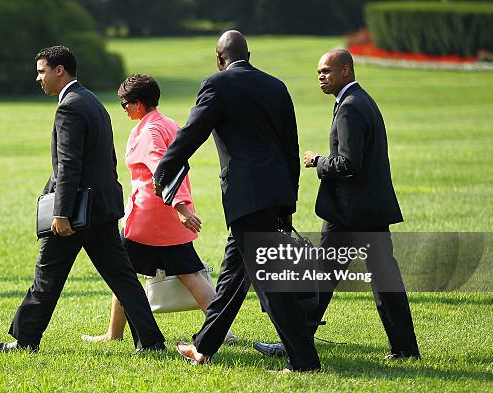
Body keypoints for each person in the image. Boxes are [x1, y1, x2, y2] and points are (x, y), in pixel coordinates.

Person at [152, 31, 321, 372]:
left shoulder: (217, 85)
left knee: (273, 284)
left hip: (246, 197)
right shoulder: (276, 86)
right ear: (249, 53)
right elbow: (291, 148)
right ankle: (203, 347)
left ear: (219, 58)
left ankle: (304, 362)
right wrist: (288, 202)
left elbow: (191, 133)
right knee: (231, 278)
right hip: (274, 196)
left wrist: (164, 170)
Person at [0, 46, 165, 353]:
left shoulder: (69, 107)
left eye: (42, 71)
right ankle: (150, 342)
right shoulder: (92, 101)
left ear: (60, 70)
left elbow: (69, 165)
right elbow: (104, 161)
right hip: (100, 208)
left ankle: (25, 341)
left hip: (77, 213)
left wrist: (61, 212)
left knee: (47, 275)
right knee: (122, 279)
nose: (38, 78)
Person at [254, 49, 420, 360]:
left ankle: (296, 344)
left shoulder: (351, 108)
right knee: (356, 277)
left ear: (346, 71)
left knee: (325, 276)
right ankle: (404, 348)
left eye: (327, 71)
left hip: (351, 212)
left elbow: (348, 163)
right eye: (319, 72)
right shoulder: (359, 101)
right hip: (363, 209)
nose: (321, 76)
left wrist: (318, 161)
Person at [81, 74, 236, 344]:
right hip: (171, 219)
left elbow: (160, 169)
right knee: (191, 274)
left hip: (147, 220)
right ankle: (223, 332)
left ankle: (113, 334)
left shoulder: (147, 132)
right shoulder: (169, 124)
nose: (124, 109)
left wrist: (180, 207)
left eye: (125, 104)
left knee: (123, 275)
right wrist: (182, 206)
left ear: (138, 104)